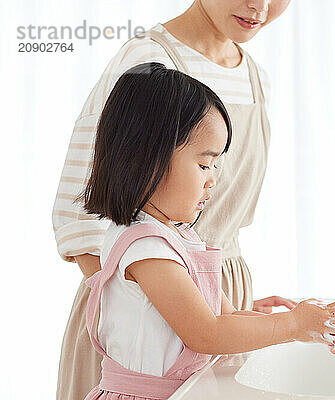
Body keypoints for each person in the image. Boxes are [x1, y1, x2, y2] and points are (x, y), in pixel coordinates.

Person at [79, 62, 335, 399]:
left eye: (216, 165)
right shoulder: (147, 249)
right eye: (204, 163)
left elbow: (226, 317)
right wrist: (293, 326)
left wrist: (312, 321)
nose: (213, 178)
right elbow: (208, 333)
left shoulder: (174, 238)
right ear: (145, 158)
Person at [52, 1, 299, 398]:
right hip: (149, 331)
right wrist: (156, 303)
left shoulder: (255, 77)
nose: (261, 6)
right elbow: (79, 213)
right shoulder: (148, 62)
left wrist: (231, 311)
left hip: (212, 299)